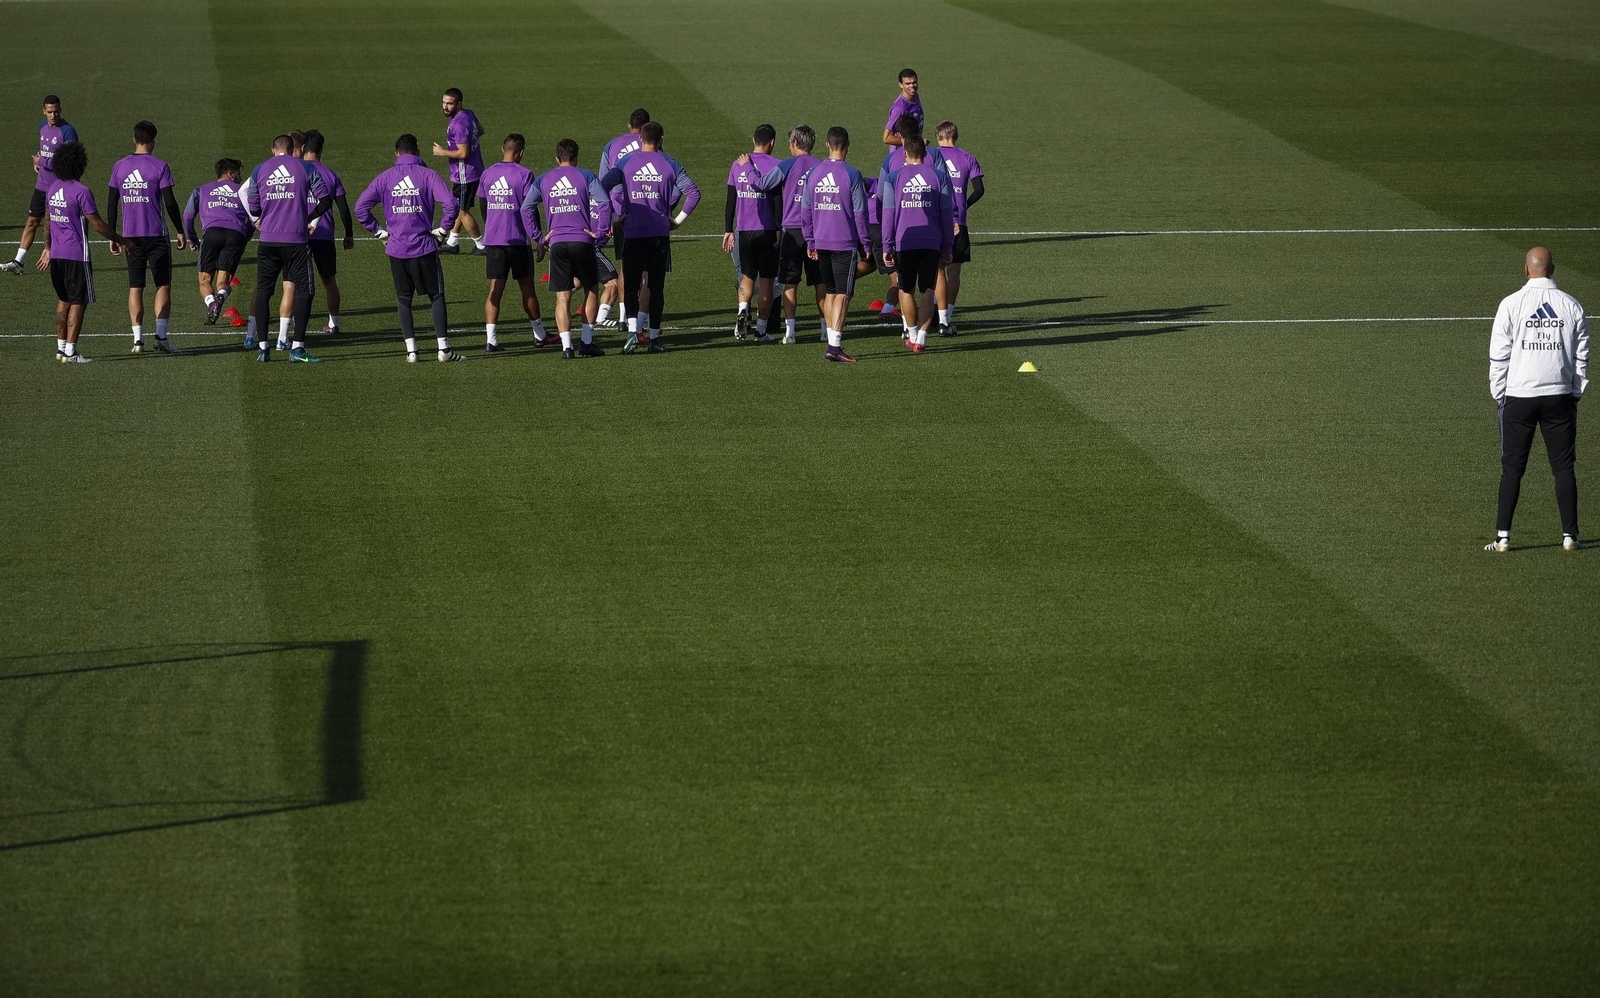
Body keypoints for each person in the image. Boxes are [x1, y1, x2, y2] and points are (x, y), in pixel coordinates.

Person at [1486, 247, 1590, 552]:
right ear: (1553, 269)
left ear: (1525, 269)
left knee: (1512, 468)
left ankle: (1503, 537)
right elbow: (1582, 356)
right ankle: (1570, 536)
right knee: (1563, 467)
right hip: (1559, 397)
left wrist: (1499, 395)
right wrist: (1575, 392)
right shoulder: (1571, 305)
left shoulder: (1511, 304)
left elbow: (1498, 355)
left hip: (1519, 397)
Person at [355, 133, 462, 362]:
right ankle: (443, 350)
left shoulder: (385, 178)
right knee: (436, 295)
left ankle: (411, 352)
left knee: (404, 299)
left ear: (396, 153)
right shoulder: (428, 175)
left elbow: (360, 208)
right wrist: (444, 230)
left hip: (396, 248)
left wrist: (379, 231)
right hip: (424, 246)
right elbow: (451, 203)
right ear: (418, 152)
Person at [598, 121, 699, 354]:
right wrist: (677, 221)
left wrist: (616, 216)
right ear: (662, 138)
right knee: (656, 286)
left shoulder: (626, 162)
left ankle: (632, 334)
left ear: (640, 138)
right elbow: (694, 193)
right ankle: (654, 338)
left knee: (631, 285)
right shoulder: (670, 163)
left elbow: (601, 187)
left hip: (633, 233)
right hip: (659, 234)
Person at [245, 133, 333, 363]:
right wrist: (307, 217)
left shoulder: (260, 170)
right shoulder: (305, 167)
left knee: (264, 291)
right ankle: (297, 348)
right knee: (305, 290)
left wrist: (259, 218)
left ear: (273, 149)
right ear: (294, 148)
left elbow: (252, 202)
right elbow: (325, 200)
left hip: (268, 241)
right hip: (296, 241)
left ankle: (263, 348)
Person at [35, 141, 124, 361]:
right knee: (78, 302)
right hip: (76, 255)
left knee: (63, 300)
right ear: (80, 165)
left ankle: (60, 348)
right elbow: (98, 225)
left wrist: (47, 247)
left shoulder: (53, 188)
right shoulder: (82, 191)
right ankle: (72, 352)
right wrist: (121, 239)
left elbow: (47, 220)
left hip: (56, 255)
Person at [106, 120, 186, 355]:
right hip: (156, 235)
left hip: (129, 237)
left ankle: (137, 341)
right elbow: (169, 202)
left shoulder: (119, 167)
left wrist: (113, 235)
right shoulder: (160, 166)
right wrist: (180, 230)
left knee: (135, 286)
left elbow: (112, 202)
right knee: (162, 284)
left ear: (134, 139)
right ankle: (161, 337)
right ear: (153, 140)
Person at [739, 124, 823, 344]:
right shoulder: (822, 166)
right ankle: (826, 330)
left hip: (793, 231)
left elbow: (761, 185)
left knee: (790, 284)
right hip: (818, 231)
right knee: (820, 283)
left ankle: (790, 333)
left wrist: (748, 166)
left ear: (795, 143)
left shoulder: (787, 164)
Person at [526, 138, 610, 358]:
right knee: (591, 289)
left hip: (558, 244)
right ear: (576, 158)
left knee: (562, 298)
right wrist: (599, 233)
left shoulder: (543, 179)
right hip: (582, 241)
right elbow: (604, 203)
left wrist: (539, 238)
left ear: (557, 158)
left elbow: (526, 208)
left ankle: (566, 348)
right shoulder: (586, 176)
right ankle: (587, 342)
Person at [800, 126, 870, 363]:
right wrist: (866, 245)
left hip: (820, 242)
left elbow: (805, 211)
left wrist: (810, 240)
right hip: (844, 243)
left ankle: (831, 342)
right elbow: (861, 214)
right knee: (843, 294)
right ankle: (834, 346)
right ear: (847, 144)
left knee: (830, 292)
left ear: (827, 145)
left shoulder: (813, 173)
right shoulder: (852, 174)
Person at [880, 135, 954, 354]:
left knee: (906, 289)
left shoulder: (894, 177)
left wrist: (886, 245)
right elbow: (947, 214)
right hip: (931, 242)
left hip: (904, 241)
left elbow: (888, 214)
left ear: (904, 153)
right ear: (925, 154)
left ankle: (911, 334)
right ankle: (921, 338)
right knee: (927, 290)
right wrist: (948, 246)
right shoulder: (939, 176)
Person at [477, 133, 548, 353]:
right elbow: (529, 208)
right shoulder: (525, 174)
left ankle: (491, 340)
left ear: (502, 149)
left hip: (494, 241)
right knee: (527, 289)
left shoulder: (487, 174)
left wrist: (492, 226)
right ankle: (539, 335)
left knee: (494, 291)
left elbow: (482, 205)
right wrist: (538, 239)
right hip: (518, 241)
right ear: (521, 152)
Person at [3, 95, 79, 276]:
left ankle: (67, 260)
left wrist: (43, 161)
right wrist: (37, 162)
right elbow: (44, 152)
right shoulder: (42, 128)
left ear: (61, 110)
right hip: (42, 185)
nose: (53, 115)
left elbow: (70, 163)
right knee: (32, 221)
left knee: (56, 224)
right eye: (50, 111)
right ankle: (18, 261)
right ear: (44, 111)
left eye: (56, 111)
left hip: (59, 188)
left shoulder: (68, 132)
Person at [724, 124, 781, 343]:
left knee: (747, 275)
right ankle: (761, 329)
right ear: (772, 142)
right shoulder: (776, 165)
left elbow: (731, 200)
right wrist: (778, 228)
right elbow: (777, 200)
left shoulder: (738, 164)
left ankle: (742, 311)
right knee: (766, 281)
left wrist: (728, 230)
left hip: (744, 230)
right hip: (767, 231)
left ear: (753, 139)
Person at [599, 109, 651, 334]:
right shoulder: (650, 144)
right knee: (646, 270)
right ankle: (638, 318)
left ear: (629, 124)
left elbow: (602, 184)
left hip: (620, 213)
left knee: (624, 266)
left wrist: (609, 216)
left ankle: (622, 317)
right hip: (646, 211)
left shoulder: (612, 145)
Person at [183, 158, 251, 327]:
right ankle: (221, 297)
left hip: (212, 233)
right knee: (224, 281)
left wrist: (192, 239)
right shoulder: (243, 191)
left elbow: (188, 216)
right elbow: (253, 218)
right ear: (230, 174)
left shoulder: (202, 190)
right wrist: (244, 239)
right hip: (236, 235)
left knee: (204, 280)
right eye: (238, 173)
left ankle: (211, 303)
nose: (240, 177)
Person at [933, 120, 984, 336]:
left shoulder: (930, 156)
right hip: (958, 222)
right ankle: (948, 317)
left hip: (935, 221)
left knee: (937, 271)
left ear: (938, 137)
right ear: (956, 136)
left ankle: (936, 313)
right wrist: (965, 205)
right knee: (954, 271)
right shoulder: (967, 157)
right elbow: (979, 189)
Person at [301, 129, 355, 336]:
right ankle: (334, 324)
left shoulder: (297, 170)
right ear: (321, 149)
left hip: (299, 234)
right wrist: (348, 233)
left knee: (296, 282)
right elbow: (343, 208)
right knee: (329, 280)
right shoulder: (331, 174)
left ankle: (295, 325)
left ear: (303, 148)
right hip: (324, 235)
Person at [432, 88, 485, 255]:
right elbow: (480, 131)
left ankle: (481, 245)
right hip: (474, 169)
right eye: (444, 103)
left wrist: (442, 152)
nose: (445, 107)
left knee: (462, 210)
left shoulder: (458, 123)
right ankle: (453, 242)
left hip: (465, 174)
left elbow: (463, 153)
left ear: (459, 104)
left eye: (449, 104)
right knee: (457, 206)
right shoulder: (468, 114)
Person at [881, 69, 922, 149]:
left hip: (913, 151)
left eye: (914, 82)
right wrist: (916, 142)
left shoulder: (915, 96)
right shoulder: (900, 108)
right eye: (907, 83)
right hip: (902, 154)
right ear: (900, 85)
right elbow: (886, 138)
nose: (912, 86)